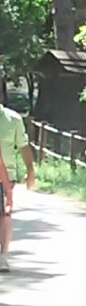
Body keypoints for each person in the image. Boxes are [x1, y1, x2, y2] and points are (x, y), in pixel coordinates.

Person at [0, 86, 35, 272]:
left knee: (5, 215)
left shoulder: (12, 119)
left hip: (5, 177)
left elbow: (23, 145)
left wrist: (30, 169)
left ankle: (3, 256)